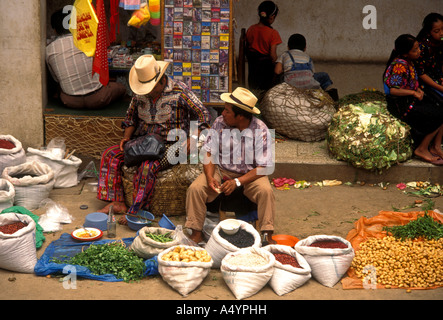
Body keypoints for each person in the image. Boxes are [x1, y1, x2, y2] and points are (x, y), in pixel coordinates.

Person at [97, 54, 211, 216]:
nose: (147, 91)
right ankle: (118, 202)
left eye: (150, 87)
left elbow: (203, 115)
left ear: (161, 80)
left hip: (172, 145)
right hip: (144, 143)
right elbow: (130, 118)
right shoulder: (139, 94)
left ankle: (137, 211)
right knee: (111, 155)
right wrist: (126, 138)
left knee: (147, 167)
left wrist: (192, 138)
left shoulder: (180, 91)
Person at [185, 87, 276, 244]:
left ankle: (267, 234)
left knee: (266, 191)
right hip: (222, 170)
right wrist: (209, 176)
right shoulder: (220, 123)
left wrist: (238, 182)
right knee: (195, 188)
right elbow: (209, 152)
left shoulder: (260, 130)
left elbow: (265, 166)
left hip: (250, 174)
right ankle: (196, 232)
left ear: (240, 116)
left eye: (227, 111)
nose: (222, 114)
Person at [46, 9, 126, 109]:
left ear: (55, 30)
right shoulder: (88, 40)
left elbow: (56, 79)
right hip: (99, 99)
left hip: (69, 101)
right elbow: (101, 68)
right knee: (121, 88)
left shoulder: (49, 50)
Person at [383, 34, 443, 165]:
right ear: (405, 53)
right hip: (401, 105)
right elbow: (393, 90)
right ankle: (422, 149)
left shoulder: (409, 62)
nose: (419, 51)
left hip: (411, 99)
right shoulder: (399, 66)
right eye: (415, 50)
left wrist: (417, 90)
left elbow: (410, 82)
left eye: (418, 48)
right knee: (438, 115)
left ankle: (435, 146)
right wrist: (413, 93)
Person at [275, 34, 336, 98]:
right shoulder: (307, 57)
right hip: (309, 84)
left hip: (290, 85)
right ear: (305, 48)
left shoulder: (284, 54)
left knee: (279, 77)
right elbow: (312, 73)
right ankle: (334, 100)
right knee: (324, 75)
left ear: (288, 47)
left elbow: (277, 71)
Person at [245, 1, 282, 91]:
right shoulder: (273, 33)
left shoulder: (251, 29)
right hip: (266, 74)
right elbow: (273, 55)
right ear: (272, 17)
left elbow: (248, 48)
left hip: (252, 72)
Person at [415, 13, 443, 103]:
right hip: (426, 83)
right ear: (428, 32)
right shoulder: (421, 48)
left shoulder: (440, 42)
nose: (441, 33)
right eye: (436, 31)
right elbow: (421, 73)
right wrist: (440, 87)